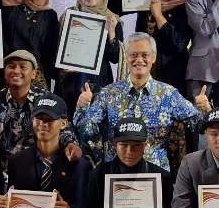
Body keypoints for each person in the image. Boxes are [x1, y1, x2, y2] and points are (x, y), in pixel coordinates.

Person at [74, 32, 208, 172]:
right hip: (115, 172)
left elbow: (201, 126)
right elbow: (86, 133)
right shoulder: (108, 93)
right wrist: (82, 107)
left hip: (156, 173)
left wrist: (205, 109)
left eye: (144, 55)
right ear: (126, 57)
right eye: (133, 55)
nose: (139, 60)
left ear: (153, 58)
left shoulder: (168, 94)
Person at [0, 49, 83, 170]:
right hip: (0, 169)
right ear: (4, 72)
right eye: (11, 66)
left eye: (23, 67)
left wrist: (70, 144)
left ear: (34, 74)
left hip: (35, 169)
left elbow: (63, 128)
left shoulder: (46, 99)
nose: (16, 71)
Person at [108, 0, 192, 99]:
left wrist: (158, 15)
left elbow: (179, 45)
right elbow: (112, 8)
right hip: (144, 75)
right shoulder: (146, 1)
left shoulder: (186, 6)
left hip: (174, 78)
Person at [56, 0, 122, 118]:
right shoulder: (68, 16)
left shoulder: (112, 19)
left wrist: (111, 32)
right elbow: (56, 51)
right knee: (68, 128)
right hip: (69, 84)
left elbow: (116, 57)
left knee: (96, 128)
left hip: (99, 84)